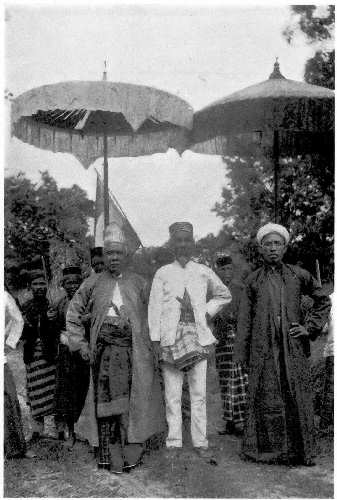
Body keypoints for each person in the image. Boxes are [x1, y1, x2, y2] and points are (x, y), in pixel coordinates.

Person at [66, 223, 165, 473]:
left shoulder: (140, 283)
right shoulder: (93, 283)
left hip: (135, 352)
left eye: (118, 254)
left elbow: (155, 315)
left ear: (126, 256)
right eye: (109, 254)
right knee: (107, 401)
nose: (114, 258)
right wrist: (80, 344)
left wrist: (155, 345)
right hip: (103, 352)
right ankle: (109, 452)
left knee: (135, 398)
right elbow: (74, 312)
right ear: (104, 256)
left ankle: (131, 446)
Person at [234, 223, 331, 466]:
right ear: (261, 248)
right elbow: (244, 320)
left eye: (278, 243)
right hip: (263, 348)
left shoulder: (299, 275)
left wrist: (308, 328)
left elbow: (322, 301)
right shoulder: (253, 280)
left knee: (295, 394)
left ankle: (300, 452)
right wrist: (242, 355)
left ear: (285, 247)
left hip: (293, 347)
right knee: (266, 395)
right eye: (268, 244)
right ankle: (266, 452)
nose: (273, 248)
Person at [148, 222, 231, 463]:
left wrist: (205, 311)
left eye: (187, 240)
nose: (182, 244)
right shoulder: (163, 273)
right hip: (170, 339)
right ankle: (173, 442)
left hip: (198, 338)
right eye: (178, 240)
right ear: (172, 244)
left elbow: (223, 294)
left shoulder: (203, 271)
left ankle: (201, 441)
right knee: (172, 394)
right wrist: (155, 340)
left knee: (198, 393)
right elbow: (153, 309)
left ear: (192, 242)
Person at [20, 262, 58, 441]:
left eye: (42, 283)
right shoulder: (25, 307)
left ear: (47, 285)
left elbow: (56, 330)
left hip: (50, 354)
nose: (39, 287)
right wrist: (27, 323)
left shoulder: (52, 305)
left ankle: (60, 430)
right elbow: (21, 333)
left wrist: (51, 320)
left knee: (54, 390)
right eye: (35, 284)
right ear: (30, 287)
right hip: (32, 355)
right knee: (35, 390)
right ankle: (37, 430)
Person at [54, 266, 90, 442]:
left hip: (82, 352)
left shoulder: (87, 302)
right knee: (67, 392)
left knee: (82, 389)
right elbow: (53, 328)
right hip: (65, 354)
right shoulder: (59, 304)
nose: (73, 286)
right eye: (68, 282)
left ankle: (82, 429)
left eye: (76, 282)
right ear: (63, 285)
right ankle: (70, 431)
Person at [213, 254, 247, 436]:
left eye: (229, 269)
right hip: (220, 340)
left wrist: (232, 320)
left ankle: (241, 420)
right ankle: (229, 421)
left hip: (236, 338)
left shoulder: (239, 289)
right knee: (225, 379)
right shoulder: (212, 291)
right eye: (222, 269)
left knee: (238, 378)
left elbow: (245, 315)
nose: (226, 272)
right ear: (216, 271)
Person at [4, 290, 35, 459]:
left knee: (9, 399)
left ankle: (15, 447)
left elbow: (17, 320)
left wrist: (10, 342)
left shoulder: (3, 296)